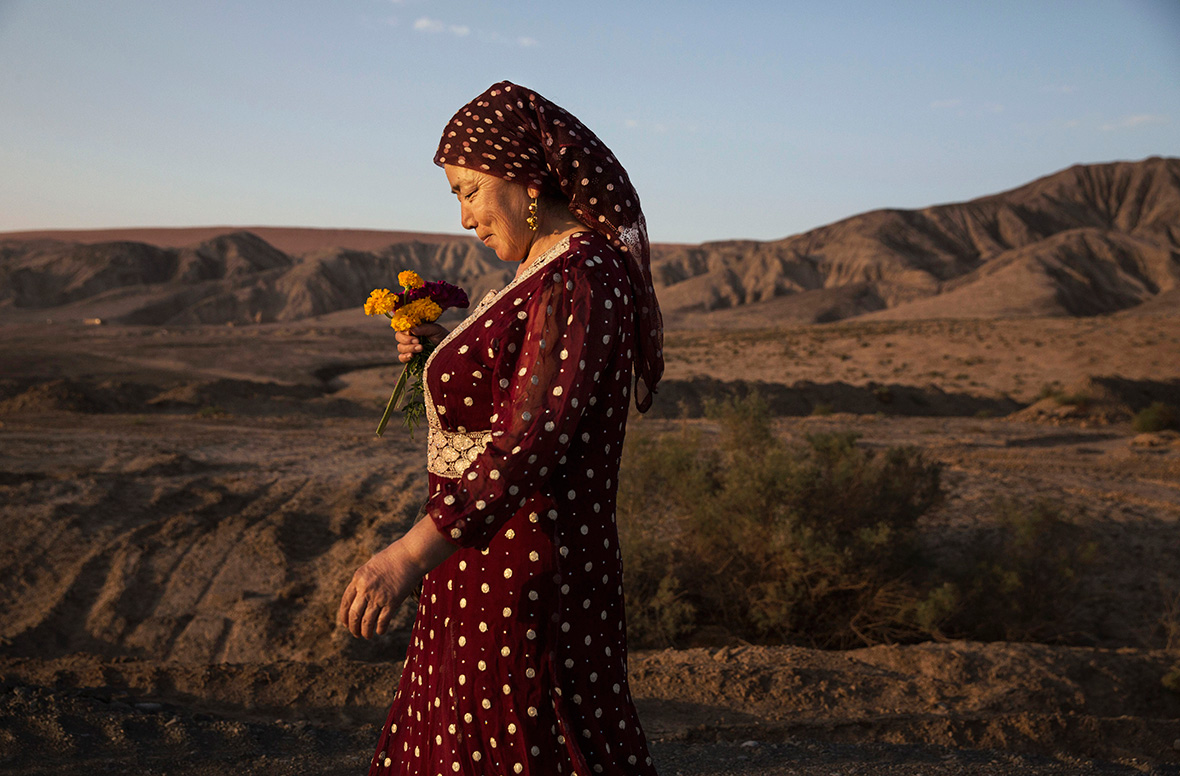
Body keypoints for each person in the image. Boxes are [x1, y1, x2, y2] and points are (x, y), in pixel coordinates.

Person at [337, 80, 663, 776]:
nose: (464, 217)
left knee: (517, 746)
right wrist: (440, 354)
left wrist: (407, 555)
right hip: (483, 560)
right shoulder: (544, 272)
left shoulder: (579, 274)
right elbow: (517, 397)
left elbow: (530, 441)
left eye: (470, 190)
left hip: (522, 575)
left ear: (525, 178)